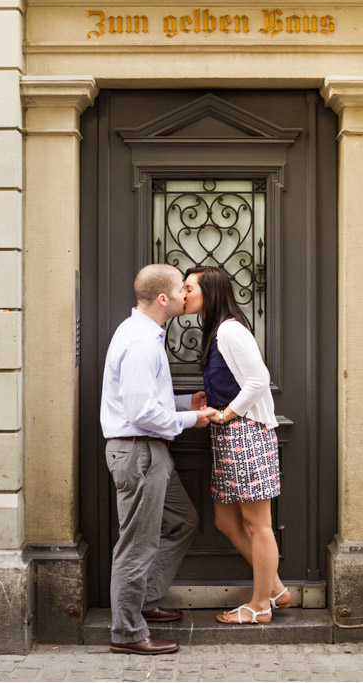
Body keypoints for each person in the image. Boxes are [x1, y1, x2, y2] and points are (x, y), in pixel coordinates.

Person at [100, 264, 218, 654]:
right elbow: (140, 412)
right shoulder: (140, 342)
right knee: (137, 545)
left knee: (183, 521)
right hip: (137, 451)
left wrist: (184, 402)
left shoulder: (145, 334)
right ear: (163, 299)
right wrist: (192, 418)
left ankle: (144, 601)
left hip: (150, 451)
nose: (188, 294)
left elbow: (144, 401)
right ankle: (128, 633)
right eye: (182, 289)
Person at [183, 266, 289, 624]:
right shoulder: (217, 331)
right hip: (229, 437)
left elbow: (260, 379)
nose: (184, 294)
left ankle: (260, 606)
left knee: (258, 524)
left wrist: (228, 412)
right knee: (227, 520)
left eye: (189, 288)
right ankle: (274, 586)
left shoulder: (230, 329)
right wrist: (208, 397)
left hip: (247, 433)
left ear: (209, 292)